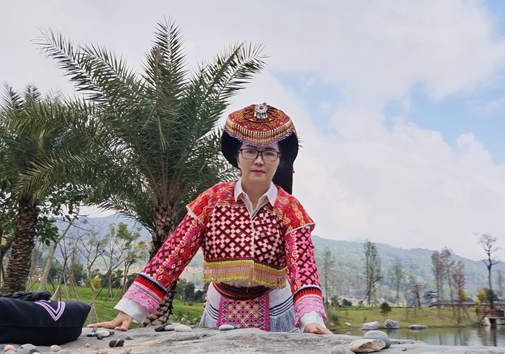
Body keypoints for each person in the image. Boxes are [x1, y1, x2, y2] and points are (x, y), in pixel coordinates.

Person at [89, 103, 331, 334]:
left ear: (279, 160)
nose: (259, 160)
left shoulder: (290, 209)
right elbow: (174, 253)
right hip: (219, 309)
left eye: (269, 152)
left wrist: (311, 320)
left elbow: (303, 267)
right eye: (250, 151)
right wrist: (130, 310)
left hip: (276, 310)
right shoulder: (212, 200)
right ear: (237, 157)